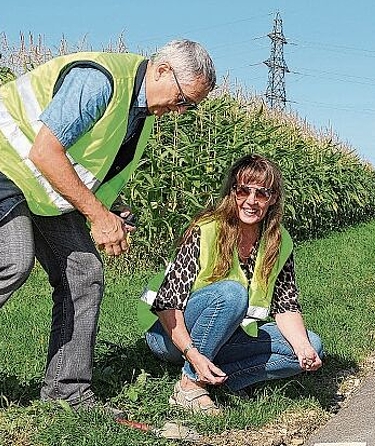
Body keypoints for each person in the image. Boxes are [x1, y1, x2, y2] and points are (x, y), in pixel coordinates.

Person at [0, 39, 216, 408]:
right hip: (6, 163)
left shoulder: (141, 113)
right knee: (13, 260)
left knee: (85, 275)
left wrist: (111, 207)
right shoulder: (100, 80)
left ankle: (66, 393)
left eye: (190, 107)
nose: (180, 111)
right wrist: (98, 217)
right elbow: (45, 150)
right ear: (164, 70)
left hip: (38, 185)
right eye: (183, 100)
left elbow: (87, 164)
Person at [141, 154, 323, 415]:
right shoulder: (206, 229)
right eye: (243, 191)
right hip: (171, 333)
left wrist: (303, 348)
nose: (251, 201)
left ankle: (225, 380)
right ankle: (190, 383)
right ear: (232, 192)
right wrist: (191, 353)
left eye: (261, 193)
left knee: (311, 345)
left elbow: (286, 305)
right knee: (232, 293)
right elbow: (168, 304)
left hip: (227, 333)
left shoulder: (278, 241)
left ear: (272, 199)